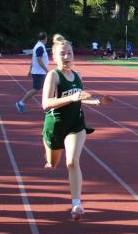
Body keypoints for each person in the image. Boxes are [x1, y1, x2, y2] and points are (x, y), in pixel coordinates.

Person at [42, 34, 112, 219]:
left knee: (72, 161)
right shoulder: (53, 76)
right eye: (62, 54)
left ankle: (76, 204)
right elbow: (46, 103)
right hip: (55, 126)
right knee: (52, 163)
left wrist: (97, 102)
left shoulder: (78, 75)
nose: (67, 57)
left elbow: (79, 98)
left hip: (76, 125)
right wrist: (71, 98)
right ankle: (49, 154)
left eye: (70, 53)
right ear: (54, 57)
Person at [16, 32, 49, 114]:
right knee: (36, 89)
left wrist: (30, 70)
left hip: (39, 72)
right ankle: (21, 103)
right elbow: (39, 60)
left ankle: (47, 106)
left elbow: (33, 60)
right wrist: (46, 70)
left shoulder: (38, 46)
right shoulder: (40, 47)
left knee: (47, 88)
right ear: (45, 39)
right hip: (39, 72)